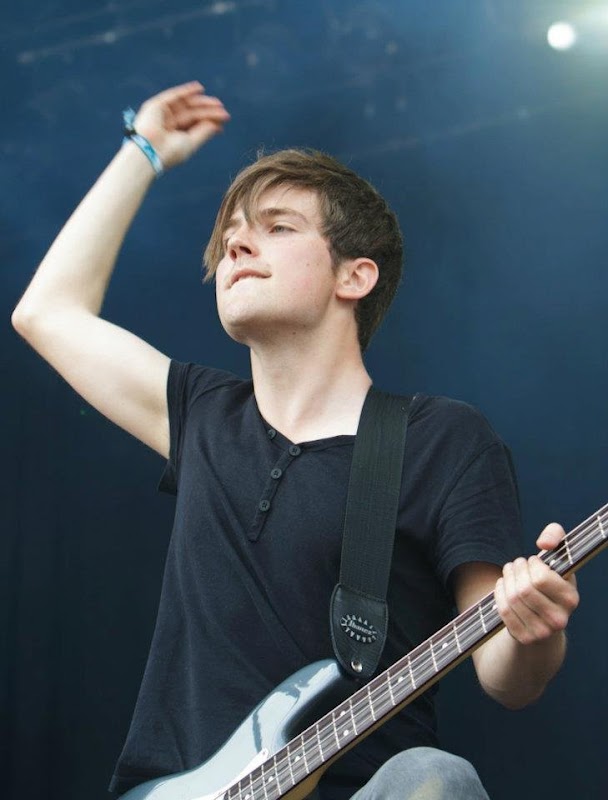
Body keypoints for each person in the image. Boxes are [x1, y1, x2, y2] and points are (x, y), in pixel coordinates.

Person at [11, 81, 580, 800]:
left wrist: (535, 628)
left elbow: (506, 677)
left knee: (436, 777)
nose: (237, 243)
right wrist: (143, 151)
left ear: (355, 275)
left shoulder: (441, 439)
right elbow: (45, 311)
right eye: (231, 236)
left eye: (278, 227)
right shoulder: (203, 417)